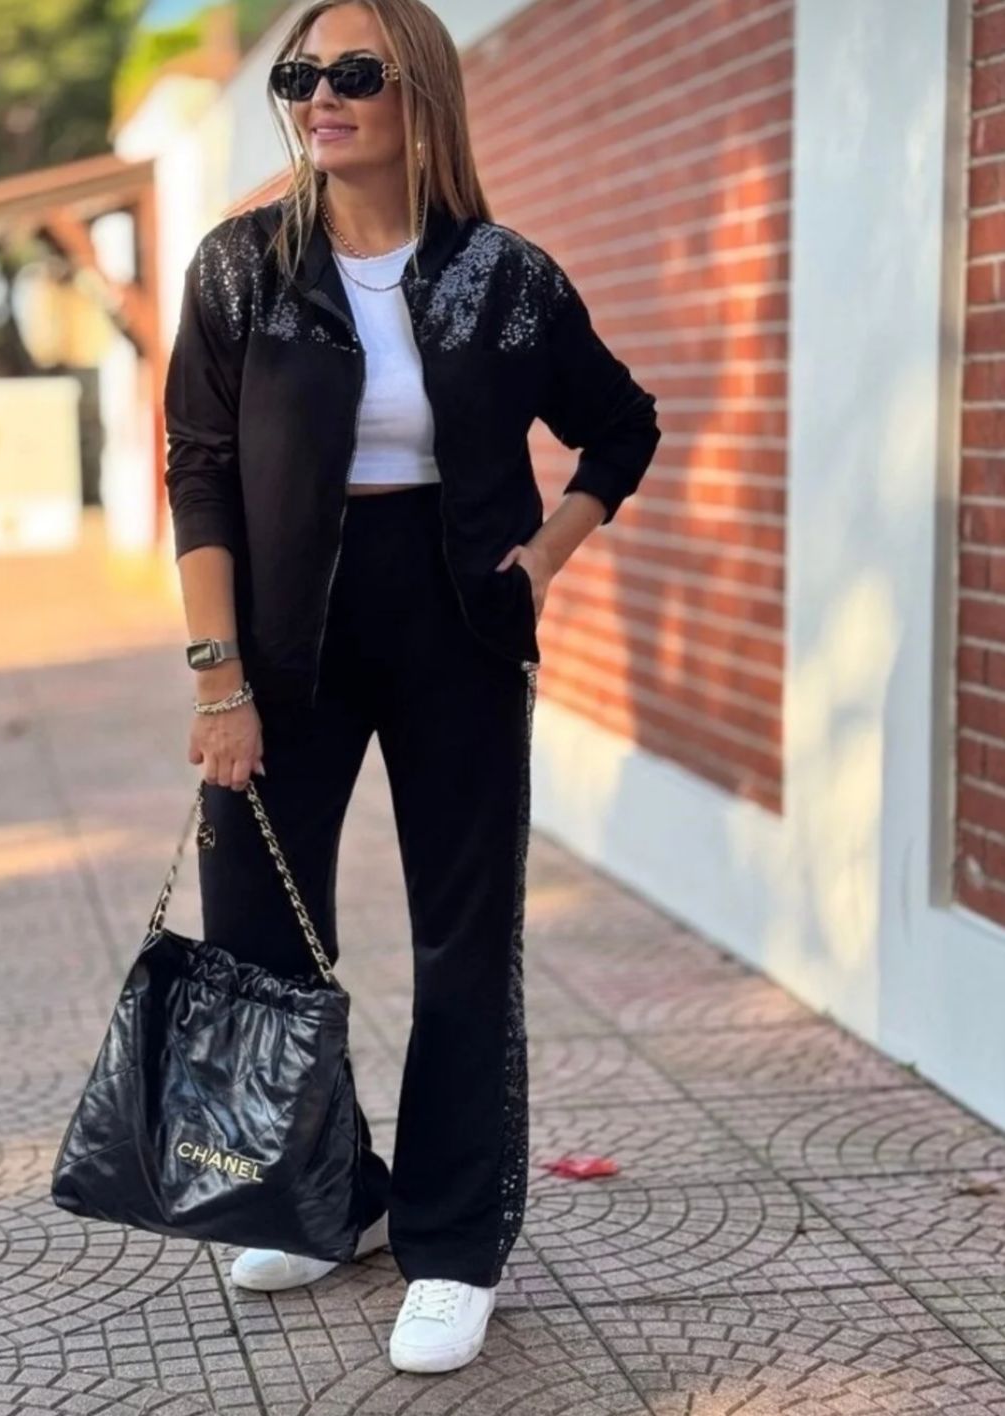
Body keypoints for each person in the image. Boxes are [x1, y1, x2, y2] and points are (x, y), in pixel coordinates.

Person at [162, 0, 660, 1377]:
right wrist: (217, 676)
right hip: (281, 640)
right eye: (300, 74)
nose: (320, 96)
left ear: (420, 92)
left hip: (456, 622)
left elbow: (621, 426)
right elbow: (199, 469)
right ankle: (335, 1200)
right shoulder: (242, 269)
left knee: (463, 940)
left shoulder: (506, 276)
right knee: (258, 931)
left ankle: (452, 1245)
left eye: (354, 72)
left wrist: (543, 558)